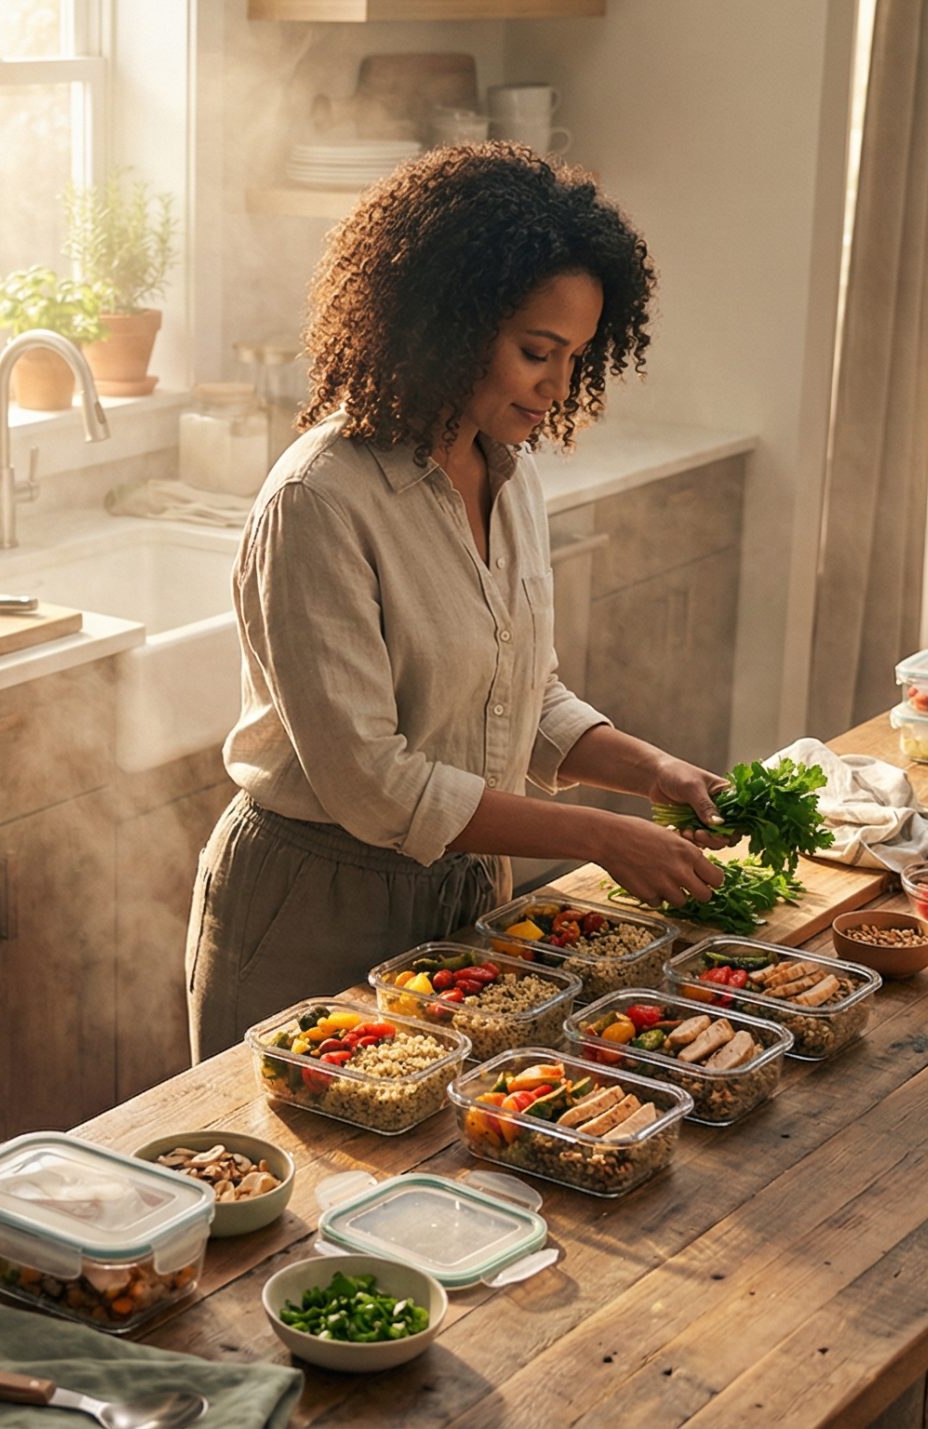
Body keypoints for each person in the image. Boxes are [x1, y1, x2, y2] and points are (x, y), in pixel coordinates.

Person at [184, 144, 735, 1060]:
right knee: (312, 1192)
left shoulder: (506, 472)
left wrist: (651, 773)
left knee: (458, 1180)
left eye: (576, 358)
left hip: (466, 890)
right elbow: (377, 783)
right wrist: (602, 837)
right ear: (450, 324)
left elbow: (522, 694)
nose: (560, 388)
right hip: (314, 906)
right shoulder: (319, 500)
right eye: (535, 353)